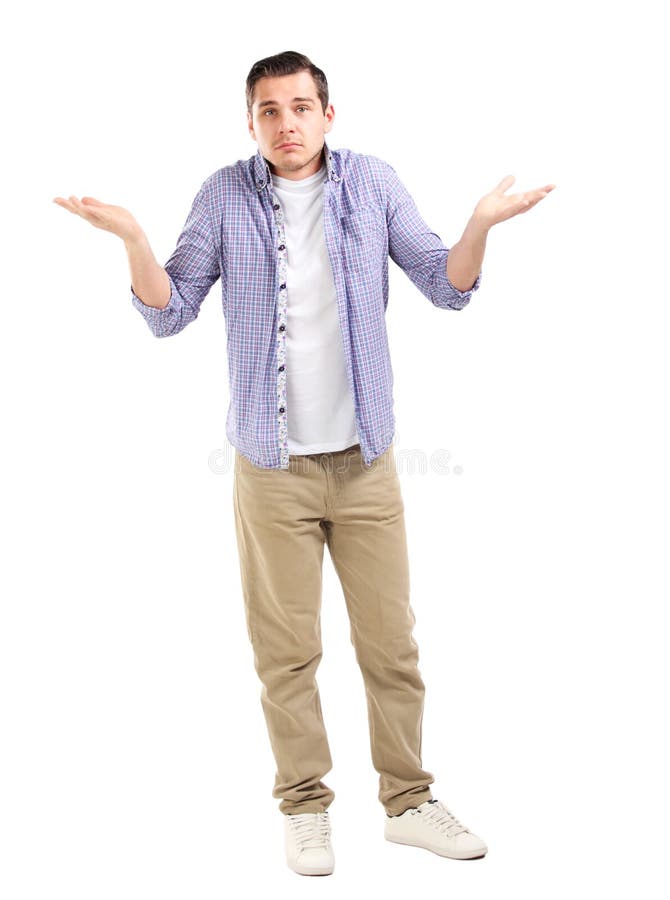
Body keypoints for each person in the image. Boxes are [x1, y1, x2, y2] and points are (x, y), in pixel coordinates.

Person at [53, 49, 555, 877]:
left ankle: (408, 801)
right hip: (270, 468)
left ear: (329, 114)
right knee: (285, 651)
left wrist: (482, 225)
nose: (285, 124)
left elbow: (445, 284)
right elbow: (169, 312)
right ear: (250, 123)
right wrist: (135, 240)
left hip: (367, 464)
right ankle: (306, 808)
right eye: (268, 111)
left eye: (300, 107)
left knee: (391, 644)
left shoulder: (374, 182)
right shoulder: (222, 195)